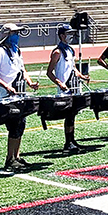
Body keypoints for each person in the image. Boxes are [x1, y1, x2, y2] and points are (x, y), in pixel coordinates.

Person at [0, 23, 39, 171]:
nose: (16, 36)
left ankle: (16, 156)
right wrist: (6, 86)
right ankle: (9, 159)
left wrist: (30, 82)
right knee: (14, 127)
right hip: (8, 96)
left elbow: (22, 70)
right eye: (14, 33)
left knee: (20, 126)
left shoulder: (17, 51)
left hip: (20, 93)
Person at [46, 23, 90, 154]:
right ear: (62, 36)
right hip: (65, 87)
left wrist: (82, 76)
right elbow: (49, 72)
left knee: (74, 114)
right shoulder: (57, 52)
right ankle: (68, 142)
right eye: (68, 34)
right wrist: (59, 83)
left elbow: (73, 67)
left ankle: (72, 139)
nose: (71, 36)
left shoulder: (70, 50)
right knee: (69, 115)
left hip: (74, 85)